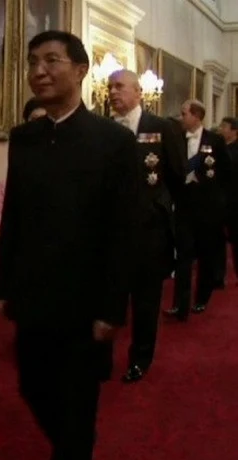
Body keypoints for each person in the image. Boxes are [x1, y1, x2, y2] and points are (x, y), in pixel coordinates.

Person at [0, 31, 138, 460]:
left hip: (85, 301)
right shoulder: (24, 138)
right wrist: (3, 284)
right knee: (32, 386)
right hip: (34, 295)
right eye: (33, 61)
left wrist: (112, 308)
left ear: (79, 70)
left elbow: (123, 230)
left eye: (52, 60)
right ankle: (76, 445)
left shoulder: (112, 141)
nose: (39, 71)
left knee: (76, 406)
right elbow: (12, 213)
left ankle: (72, 458)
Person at [107, 69, 185, 383]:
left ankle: (140, 358)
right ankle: (100, 358)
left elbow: (178, 177)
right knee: (110, 297)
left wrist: (167, 216)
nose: (113, 92)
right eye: (110, 87)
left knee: (145, 301)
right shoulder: (106, 130)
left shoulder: (160, 127)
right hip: (113, 232)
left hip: (149, 232)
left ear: (139, 92)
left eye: (120, 86)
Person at [164, 100, 231, 320]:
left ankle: (202, 298)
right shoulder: (176, 139)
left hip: (207, 209)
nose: (181, 117)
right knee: (183, 257)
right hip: (183, 207)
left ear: (196, 116)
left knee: (205, 255)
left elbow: (225, 173)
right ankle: (180, 305)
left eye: (184, 114)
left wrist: (221, 204)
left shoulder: (215, 140)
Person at [219, 116, 238, 280]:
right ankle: (219, 275)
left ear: (234, 131)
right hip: (221, 201)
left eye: (224, 126)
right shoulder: (220, 148)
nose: (220, 129)